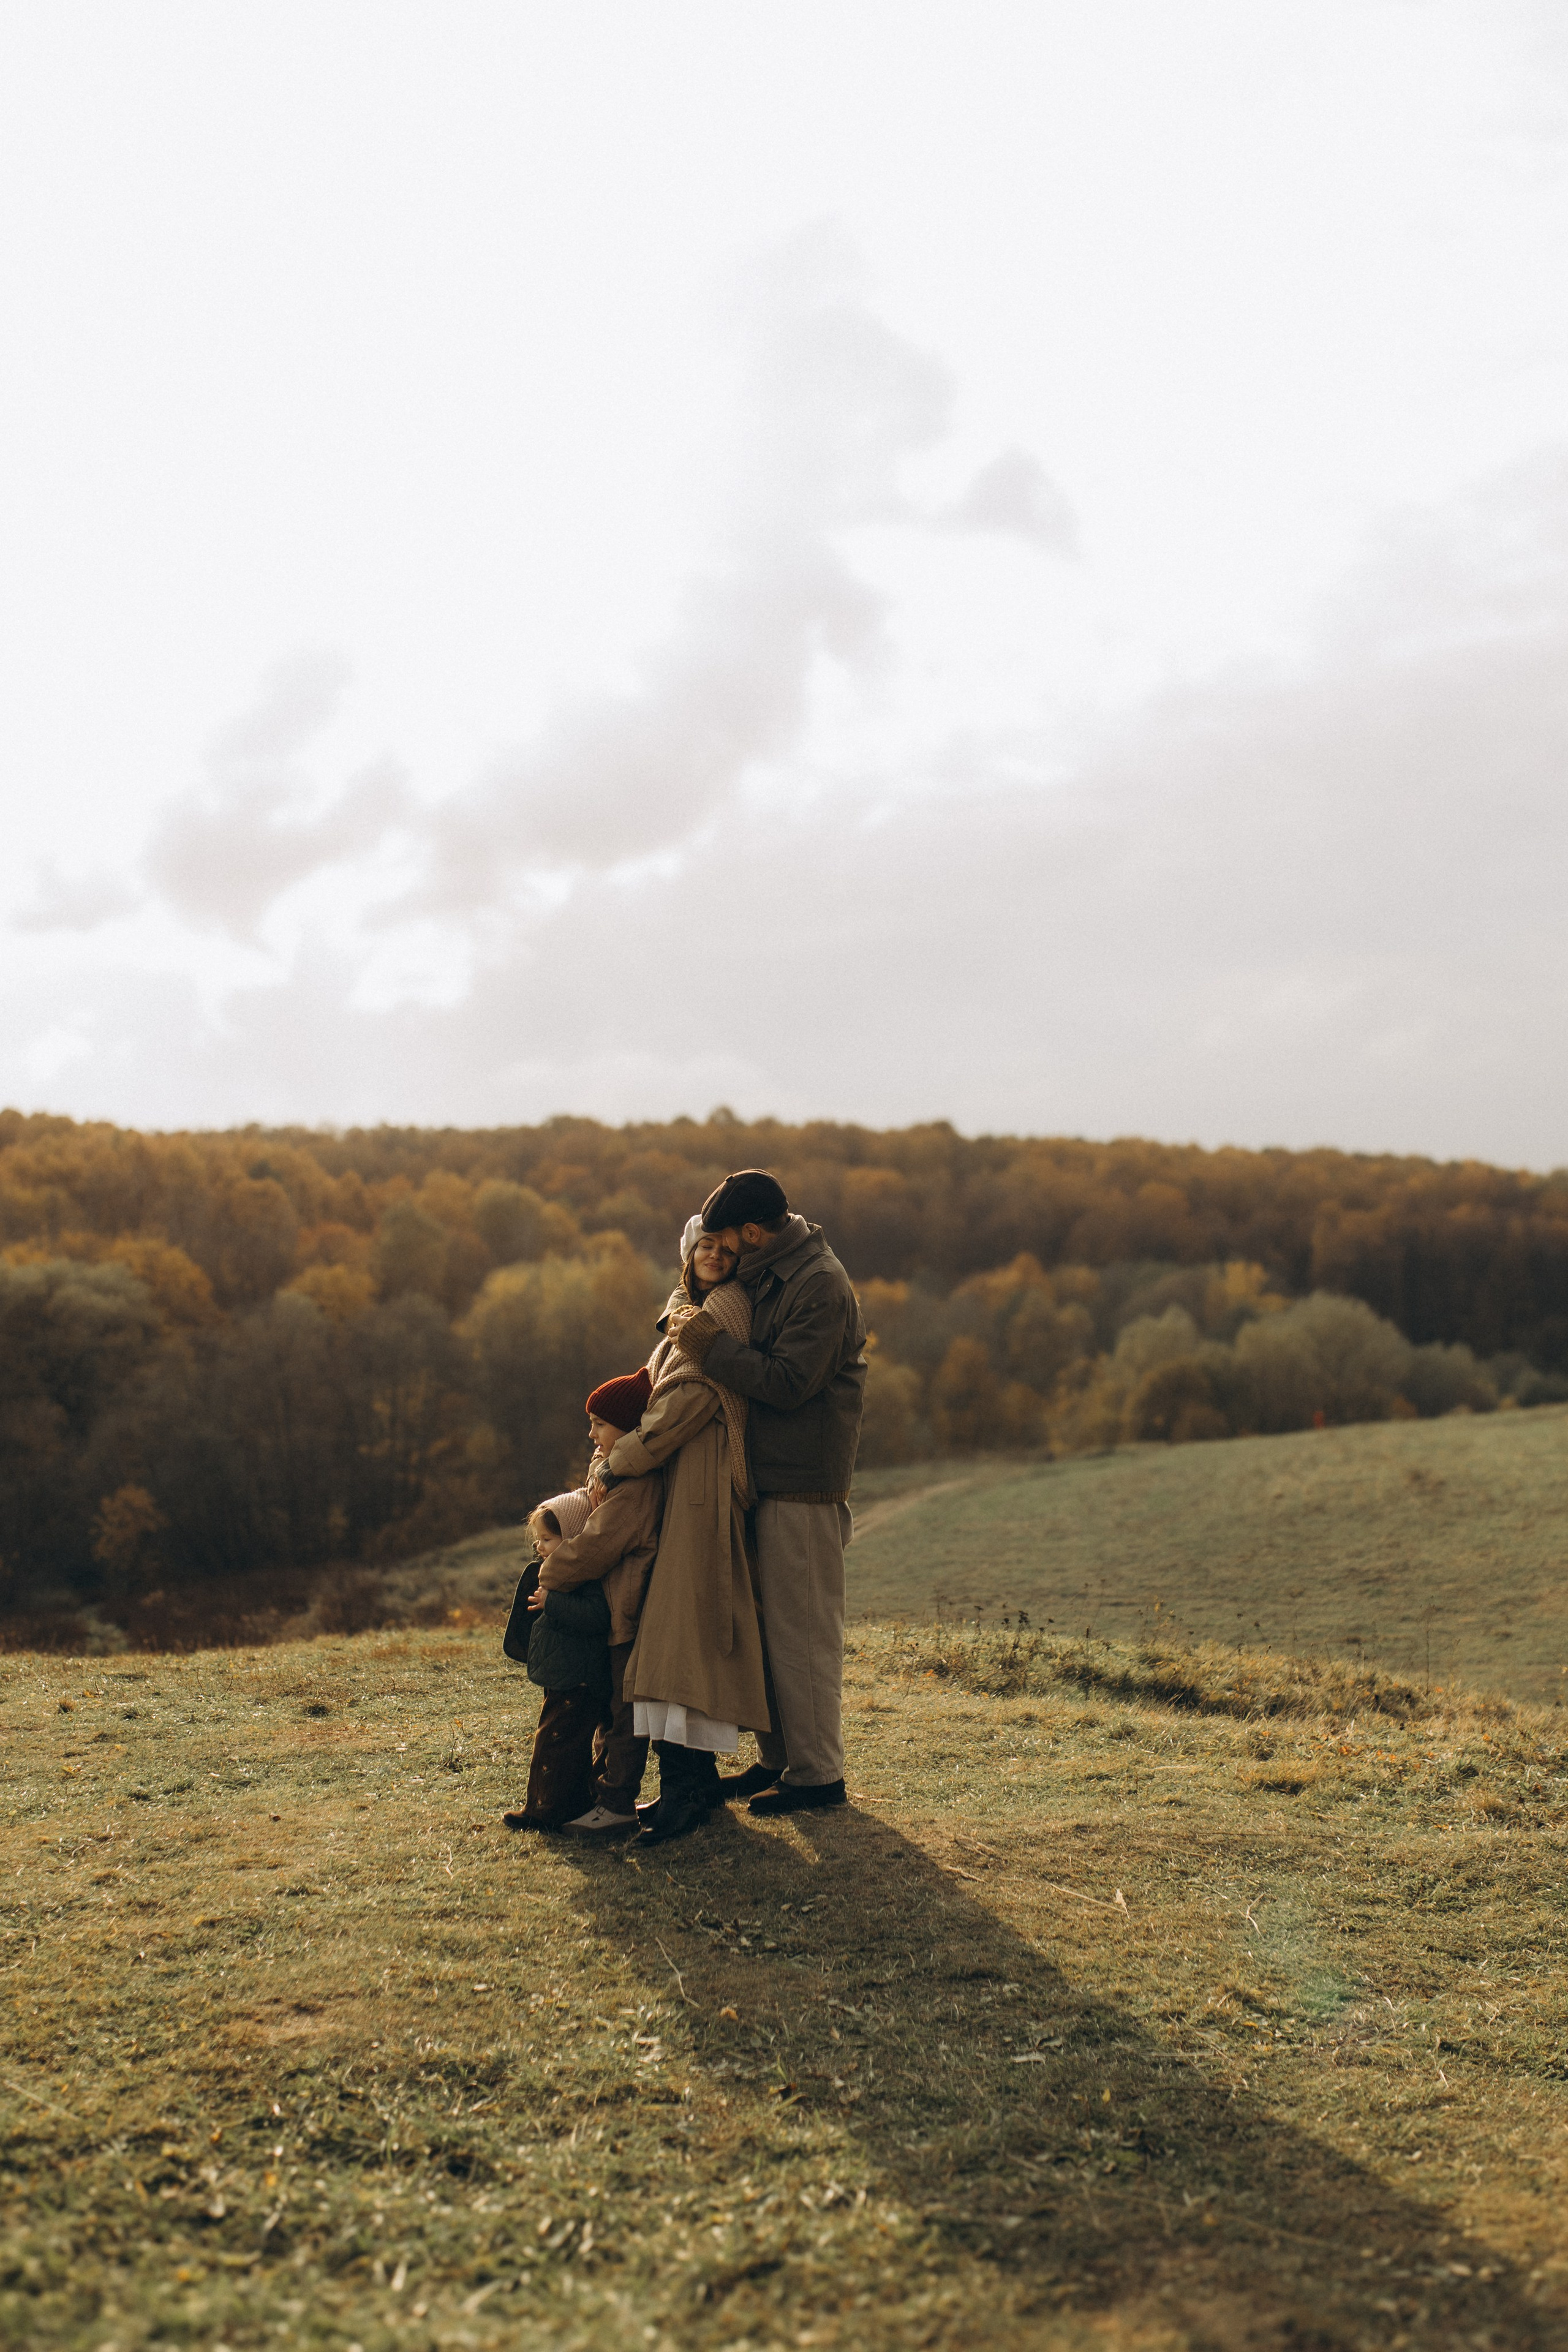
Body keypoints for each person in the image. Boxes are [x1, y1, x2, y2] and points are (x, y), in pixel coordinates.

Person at [670, 1169, 866, 1815]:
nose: (724, 1250)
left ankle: (818, 1777)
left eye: (730, 1239)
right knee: (768, 1631)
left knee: (802, 1635)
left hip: (802, 1485)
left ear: (754, 1231)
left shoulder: (819, 1285)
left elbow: (787, 1383)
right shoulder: (772, 1268)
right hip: (765, 1480)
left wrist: (707, 1343)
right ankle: (780, 1762)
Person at [600, 1224, 774, 1846]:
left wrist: (619, 1459)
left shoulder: (724, 1310)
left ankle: (685, 1792)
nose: (715, 1256)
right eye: (706, 1246)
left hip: (698, 1497)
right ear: (687, 1252)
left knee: (678, 1644)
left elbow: (688, 1403)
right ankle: (692, 1786)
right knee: (678, 1643)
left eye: (728, 1251)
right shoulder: (686, 1312)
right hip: (682, 1492)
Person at [500, 1369, 660, 1832]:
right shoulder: (613, 1474)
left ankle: (614, 1802)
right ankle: (595, 1795)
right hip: (613, 1612)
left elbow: (595, 1544)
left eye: (600, 1424)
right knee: (606, 1713)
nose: (591, 1434)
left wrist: (550, 1577)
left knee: (622, 1715)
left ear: (627, 1428)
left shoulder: (636, 1485)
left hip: (624, 1615)